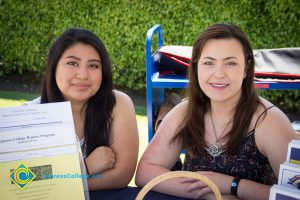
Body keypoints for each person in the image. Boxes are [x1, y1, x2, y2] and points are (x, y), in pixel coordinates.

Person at [135, 23, 299, 199]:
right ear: (196, 66)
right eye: (209, 63)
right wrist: (209, 194)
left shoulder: (269, 121)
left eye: (230, 63)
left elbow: (294, 194)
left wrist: (234, 185)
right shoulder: (184, 112)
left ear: (246, 67)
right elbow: (145, 172)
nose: (219, 74)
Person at [26, 28, 139, 191]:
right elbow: (21, 180)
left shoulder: (118, 104)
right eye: (72, 63)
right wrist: (85, 168)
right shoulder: (28, 115)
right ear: (54, 66)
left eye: (93, 65)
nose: (83, 75)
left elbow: (121, 175)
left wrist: (58, 185)